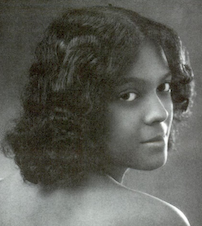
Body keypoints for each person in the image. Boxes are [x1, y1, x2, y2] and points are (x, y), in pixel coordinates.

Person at [0, 6, 194, 226]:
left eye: (164, 87)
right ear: (78, 103)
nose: (160, 113)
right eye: (128, 95)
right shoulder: (155, 219)